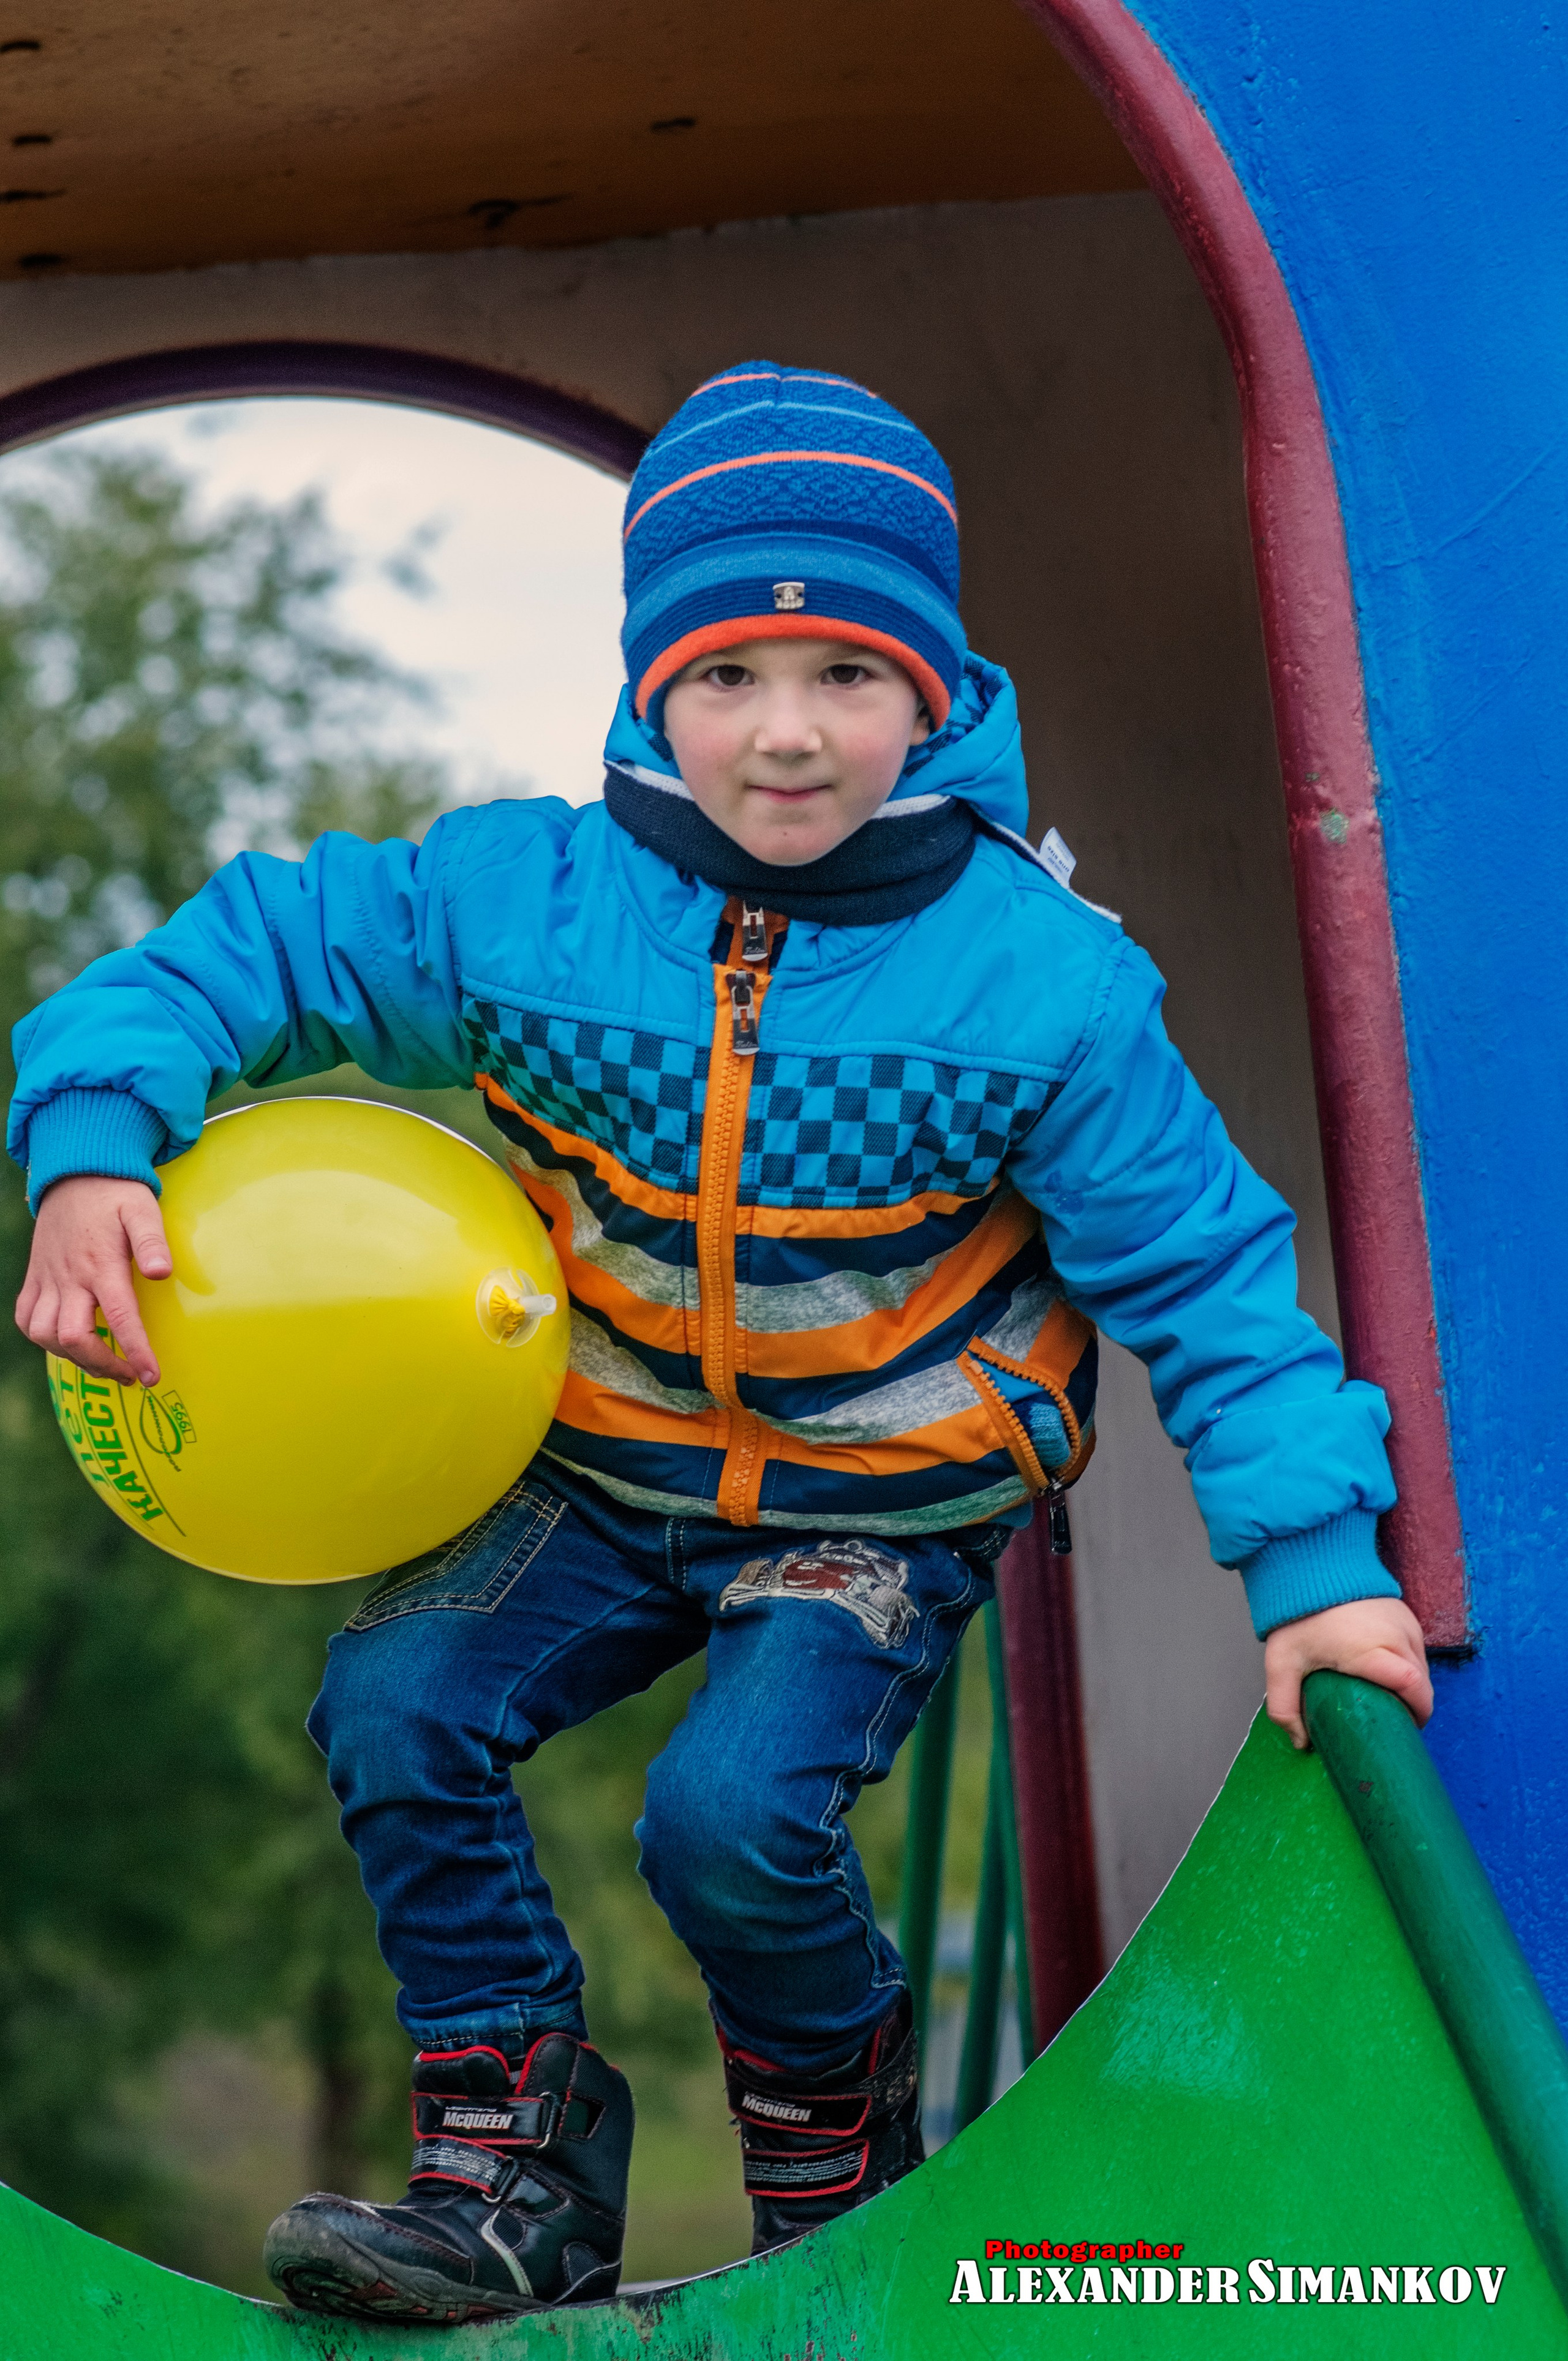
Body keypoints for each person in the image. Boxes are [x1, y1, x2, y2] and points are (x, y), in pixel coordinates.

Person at [8, 364, 1432, 2324]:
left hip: (876, 1500)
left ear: (935, 691)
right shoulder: (521, 906)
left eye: (848, 675)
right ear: (648, 686)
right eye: (726, 675)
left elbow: (1202, 1275)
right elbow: (239, 949)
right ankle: (512, 2165)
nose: (784, 735)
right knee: (397, 1709)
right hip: (599, 1469)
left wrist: (1315, 1573)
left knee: (732, 1818)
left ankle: (842, 2174)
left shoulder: (1038, 985)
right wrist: (94, 1143)